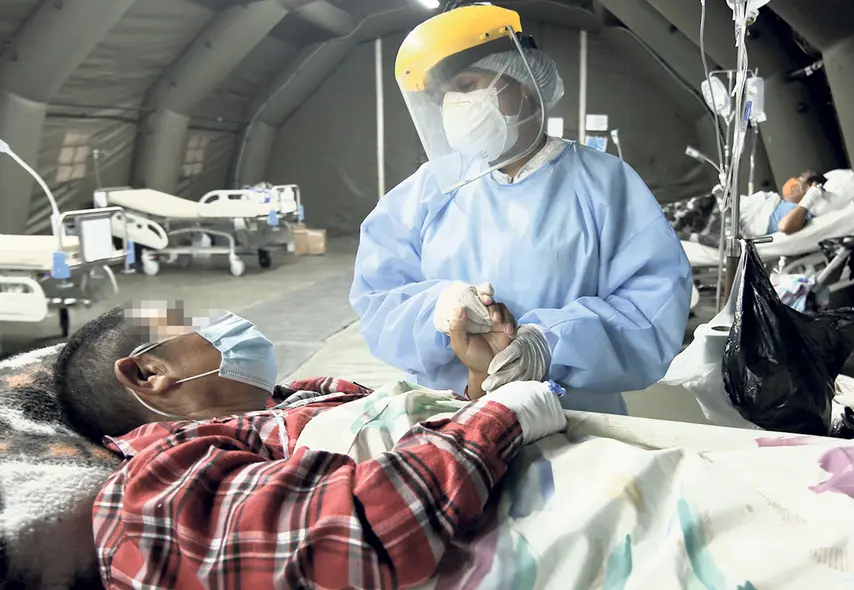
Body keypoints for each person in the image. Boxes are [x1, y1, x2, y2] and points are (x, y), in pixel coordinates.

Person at [54, 305, 563, 588]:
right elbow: (354, 536)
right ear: (150, 373)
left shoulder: (307, 397)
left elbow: (428, 442)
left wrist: (482, 384)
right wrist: (501, 417)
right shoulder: (163, 481)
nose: (229, 320)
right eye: (197, 325)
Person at [350, 4, 693, 415]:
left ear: (523, 83)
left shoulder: (605, 184)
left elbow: (651, 306)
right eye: (443, 97)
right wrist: (439, 308)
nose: (453, 106)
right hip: (450, 413)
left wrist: (548, 345)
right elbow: (378, 298)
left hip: (575, 419)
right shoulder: (430, 188)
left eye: (466, 84)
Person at [770, 170, 828, 235]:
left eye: (799, 179)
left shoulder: (798, 210)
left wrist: (811, 195)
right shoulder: (778, 202)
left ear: (807, 188)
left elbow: (784, 227)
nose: (792, 181)